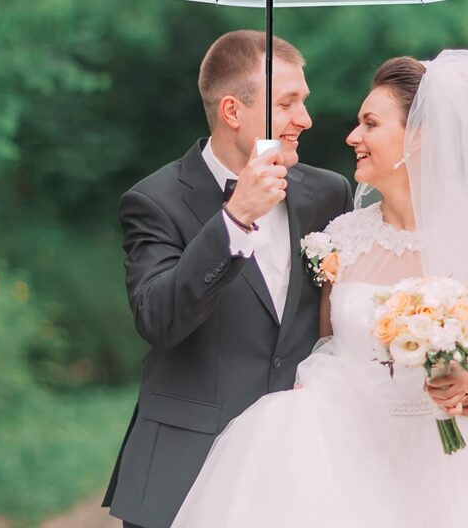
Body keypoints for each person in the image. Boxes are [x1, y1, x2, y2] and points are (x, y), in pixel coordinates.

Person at [169, 49, 468, 527]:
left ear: (420, 137)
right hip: (337, 444)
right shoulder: (340, 237)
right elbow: (323, 341)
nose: (352, 136)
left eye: (370, 124)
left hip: (446, 454)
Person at [103, 30, 353, 528]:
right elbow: (158, 319)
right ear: (233, 112)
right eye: (288, 103)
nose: (305, 119)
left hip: (303, 470)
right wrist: (234, 221)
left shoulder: (328, 194)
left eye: (304, 102)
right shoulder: (155, 202)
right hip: (188, 469)